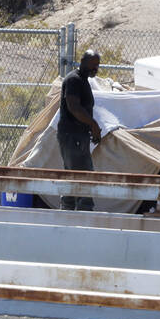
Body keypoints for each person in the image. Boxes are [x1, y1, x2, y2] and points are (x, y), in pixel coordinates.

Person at [57, 49, 102, 211]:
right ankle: (83, 215)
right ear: (83, 62)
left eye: (97, 65)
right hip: (71, 136)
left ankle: (69, 213)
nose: (96, 69)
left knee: (75, 176)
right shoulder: (74, 80)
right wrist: (93, 125)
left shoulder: (82, 80)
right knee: (83, 177)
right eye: (93, 65)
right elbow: (74, 107)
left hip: (77, 136)